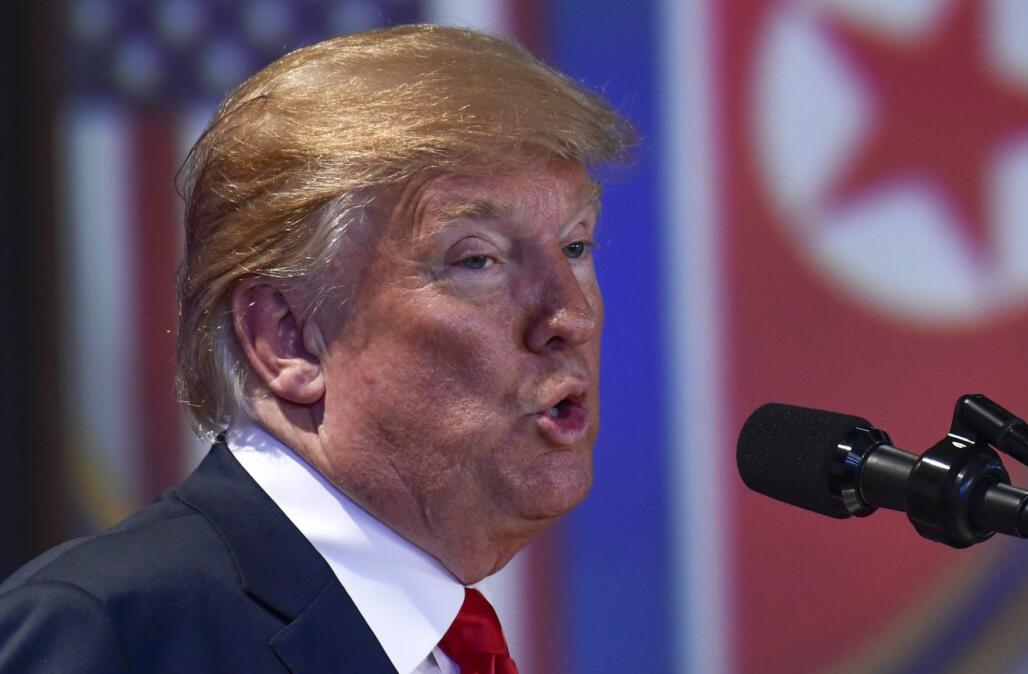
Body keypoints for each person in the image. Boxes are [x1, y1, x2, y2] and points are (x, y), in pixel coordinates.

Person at [0, 24, 633, 673]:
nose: (570, 316)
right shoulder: (109, 638)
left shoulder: (440, 649)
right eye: (477, 260)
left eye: (576, 246)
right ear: (288, 338)